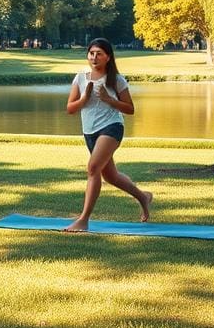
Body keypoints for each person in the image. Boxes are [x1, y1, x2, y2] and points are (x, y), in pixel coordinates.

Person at [63, 37, 153, 233]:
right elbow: (70, 108)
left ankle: (83, 219)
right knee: (110, 175)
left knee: (93, 167)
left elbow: (130, 109)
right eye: (91, 53)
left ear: (108, 57)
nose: (94, 57)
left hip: (111, 127)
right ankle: (143, 197)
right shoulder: (80, 78)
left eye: (99, 54)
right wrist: (85, 98)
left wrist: (109, 99)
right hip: (90, 131)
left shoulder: (116, 80)